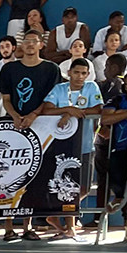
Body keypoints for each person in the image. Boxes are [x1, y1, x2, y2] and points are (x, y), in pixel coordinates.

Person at [0, 28, 61, 241]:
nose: (31, 44)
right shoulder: (10, 69)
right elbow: (6, 98)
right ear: (21, 45)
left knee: (33, 175)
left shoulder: (51, 69)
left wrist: (34, 115)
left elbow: (52, 98)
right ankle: (7, 226)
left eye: (35, 41)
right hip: (14, 126)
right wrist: (15, 116)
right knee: (9, 174)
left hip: (41, 127)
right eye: (27, 41)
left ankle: (27, 226)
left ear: (41, 44)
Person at [42, 58, 103, 240]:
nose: (80, 76)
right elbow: (46, 110)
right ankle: (70, 228)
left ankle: (56, 214)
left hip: (85, 144)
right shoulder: (60, 89)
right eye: (76, 72)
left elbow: (98, 109)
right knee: (70, 188)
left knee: (83, 188)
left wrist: (71, 112)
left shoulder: (91, 87)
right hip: (63, 146)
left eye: (84, 73)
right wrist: (68, 110)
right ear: (69, 72)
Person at [102, 71, 127, 242]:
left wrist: (120, 115)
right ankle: (118, 197)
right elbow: (106, 119)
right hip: (120, 148)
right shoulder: (117, 100)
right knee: (116, 174)